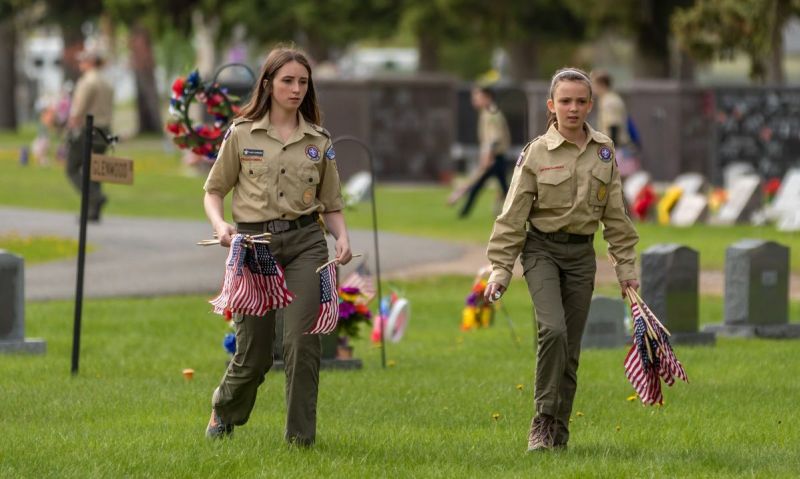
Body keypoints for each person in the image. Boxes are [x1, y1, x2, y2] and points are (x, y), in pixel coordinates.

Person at [483, 67, 639, 452]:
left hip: (581, 255)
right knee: (552, 331)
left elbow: (616, 216)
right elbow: (512, 214)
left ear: (591, 104)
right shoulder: (536, 152)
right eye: (565, 101)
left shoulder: (604, 151)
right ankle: (541, 419)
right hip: (541, 251)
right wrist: (501, 269)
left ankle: (558, 433)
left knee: (570, 349)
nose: (573, 108)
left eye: (580, 101)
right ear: (552, 106)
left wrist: (626, 271)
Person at [202, 46, 352, 446]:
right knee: (255, 354)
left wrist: (342, 236)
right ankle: (224, 408)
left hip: (306, 243)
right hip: (254, 246)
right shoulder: (242, 133)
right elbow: (214, 191)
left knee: (302, 342)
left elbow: (332, 202)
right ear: (268, 84)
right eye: (288, 80)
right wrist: (220, 226)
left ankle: (300, 440)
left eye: (303, 82)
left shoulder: (318, 140)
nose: (296, 88)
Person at [65, 48, 114, 221]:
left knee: (72, 168)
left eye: (82, 61)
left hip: (88, 130)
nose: (80, 64)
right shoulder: (107, 82)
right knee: (95, 170)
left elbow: (78, 110)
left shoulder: (87, 82)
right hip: (104, 130)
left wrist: (70, 127)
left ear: (90, 62)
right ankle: (93, 212)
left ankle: (95, 197)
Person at [451, 85, 511, 218]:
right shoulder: (487, 113)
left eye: (477, 97)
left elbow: (495, 138)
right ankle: (464, 212)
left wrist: (487, 155)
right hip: (495, 157)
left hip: (495, 157)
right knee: (503, 187)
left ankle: (463, 212)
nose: (474, 101)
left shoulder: (492, 113)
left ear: (487, 98)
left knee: (480, 185)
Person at [591, 69, 639, 176]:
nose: (592, 88)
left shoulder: (609, 101)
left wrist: (610, 152)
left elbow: (613, 126)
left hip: (617, 149)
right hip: (618, 148)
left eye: (593, 83)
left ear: (601, 84)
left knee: (617, 183)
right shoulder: (609, 99)